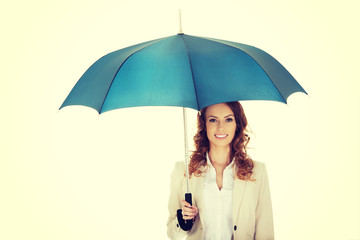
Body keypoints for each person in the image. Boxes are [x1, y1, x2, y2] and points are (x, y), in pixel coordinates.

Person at [167, 102, 274, 240]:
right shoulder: (183, 171)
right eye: (213, 120)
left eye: (228, 119)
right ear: (204, 125)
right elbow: (171, 233)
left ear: (237, 124)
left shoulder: (257, 171)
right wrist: (184, 221)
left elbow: (265, 233)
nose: (221, 127)